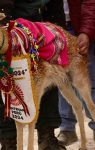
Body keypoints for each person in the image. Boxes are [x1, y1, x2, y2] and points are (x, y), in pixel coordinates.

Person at [0, 0, 66, 150]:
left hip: (40, 30)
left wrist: (55, 33)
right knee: (7, 83)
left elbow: (55, 9)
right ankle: (9, 141)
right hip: (7, 26)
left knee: (47, 80)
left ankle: (47, 136)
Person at [57, 0, 95, 146]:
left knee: (90, 80)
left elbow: (93, 3)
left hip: (79, 27)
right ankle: (67, 129)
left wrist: (86, 31)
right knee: (61, 80)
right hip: (54, 28)